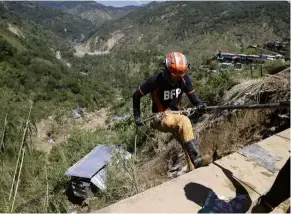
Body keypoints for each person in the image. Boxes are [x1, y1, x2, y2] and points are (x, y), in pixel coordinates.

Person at [132, 51, 211, 171]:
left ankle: (193, 169)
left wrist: (200, 105)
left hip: (176, 115)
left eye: (180, 74)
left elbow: (193, 98)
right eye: (175, 74)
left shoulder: (184, 79)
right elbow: (136, 95)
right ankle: (196, 159)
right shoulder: (155, 81)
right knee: (184, 121)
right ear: (167, 69)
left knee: (187, 144)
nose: (177, 77)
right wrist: (137, 116)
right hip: (160, 117)